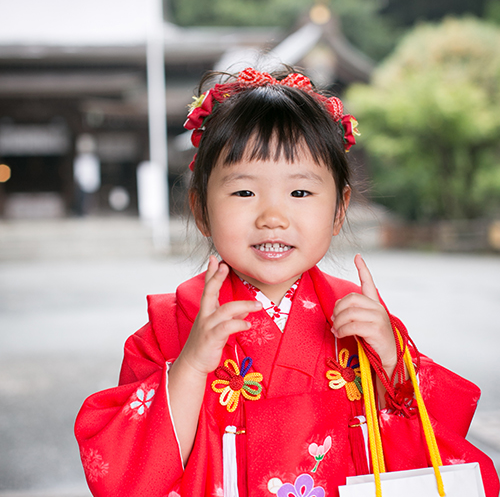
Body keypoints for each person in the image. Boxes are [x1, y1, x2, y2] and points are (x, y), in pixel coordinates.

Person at [75, 67, 499, 497]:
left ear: (339, 210)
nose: (273, 217)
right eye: (244, 193)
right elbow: (125, 474)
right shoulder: (169, 330)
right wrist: (191, 366)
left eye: (300, 193)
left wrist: (392, 361)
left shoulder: (362, 324)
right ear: (201, 208)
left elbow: (434, 433)